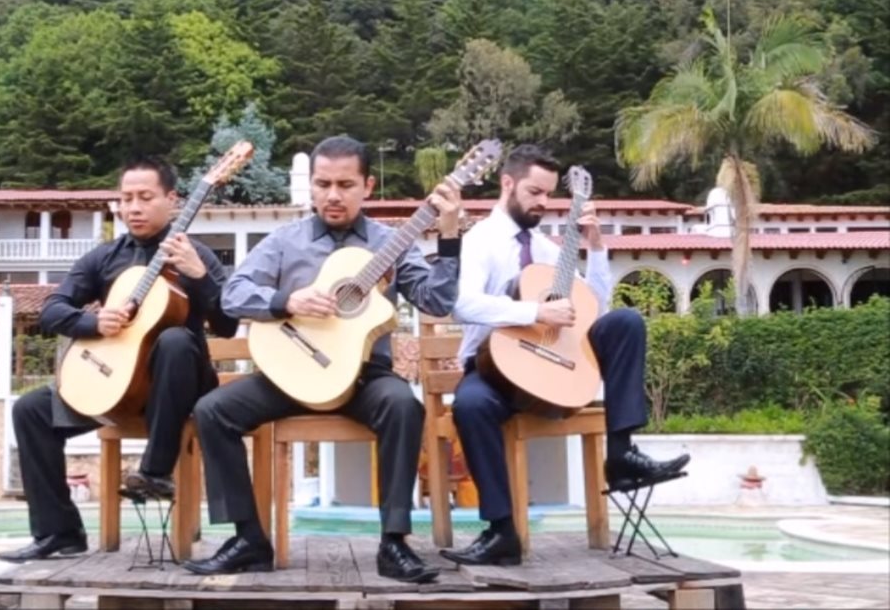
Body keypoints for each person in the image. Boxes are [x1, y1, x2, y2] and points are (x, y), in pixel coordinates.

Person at [184, 135, 462, 582]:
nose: (333, 195)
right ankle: (248, 539)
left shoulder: (393, 242)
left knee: (404, 406)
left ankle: (394, 543)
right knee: (212, 410)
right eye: (324, 183)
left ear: (367, 186)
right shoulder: (284, 241)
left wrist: (448, 235)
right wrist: (286, 300)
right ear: (310, 187)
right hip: (293, 373)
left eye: (346, 184)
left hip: (365, 377)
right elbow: (233, 295)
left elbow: (436, 299)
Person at [440, 144, 690, 567]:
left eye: (548, 195)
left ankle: (621, 456)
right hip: (493, 370)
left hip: (550, 372)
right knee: (470, 404)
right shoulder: (480, 240)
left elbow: (594, 308)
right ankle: (502, 531)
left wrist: (596, 248)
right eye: (534, 192)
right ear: (507, 183)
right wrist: (535, 311)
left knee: (626, 322)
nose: (542, 203)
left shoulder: (547, 249)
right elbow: (461, 305)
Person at [0, 157, 238, 563]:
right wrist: (93, 321)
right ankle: (60, 533)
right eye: (126, 198)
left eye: (145, 197)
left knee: (176, 341)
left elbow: (228, 325)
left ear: (172, 200)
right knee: (30, 411)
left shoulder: (196, 255)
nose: (134, 207)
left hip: (182, 388)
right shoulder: (104, 258)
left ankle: (155, 472)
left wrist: (198, 275)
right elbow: (51, 310)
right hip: (120, 384)